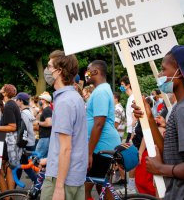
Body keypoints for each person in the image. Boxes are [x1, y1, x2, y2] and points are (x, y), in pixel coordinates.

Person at [133, 45, 184, 200]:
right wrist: (150, 119)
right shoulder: (182, 106)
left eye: (164, 69)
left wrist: (161, 168)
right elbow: (171, 154)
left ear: (180, 73)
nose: (160, 74)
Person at [41, 50, 87, 200]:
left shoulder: (65, 102)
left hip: (62, 179)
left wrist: (59, 187)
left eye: (49, 66)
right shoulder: (75, 97)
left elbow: (66, 148)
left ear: (59, 71)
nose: (46, 71)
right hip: (74, 175)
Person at [85, 60, 121, 199]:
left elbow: (99, 124)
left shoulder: (100, 92)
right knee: (103, 188)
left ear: (95, 71)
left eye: (88, 71)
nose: (86, 74)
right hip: (102, 147)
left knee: (83, 189)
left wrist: (89, 153)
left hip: (101, 148)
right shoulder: (101, 90)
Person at [0, 84, 21, 193]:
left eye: (3, 88)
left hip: (10, 142)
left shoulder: (9, 106)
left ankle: (6, 196)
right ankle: (9, 196)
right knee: (9, 169)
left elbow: (12, 126)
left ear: (6, 93)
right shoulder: (12, 104)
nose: (1, 89)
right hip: (13, 142)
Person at [119, 75, 137, 193]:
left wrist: (132, 133)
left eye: (122, 85)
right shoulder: (130, 97)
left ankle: (131, 186)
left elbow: (135, 116)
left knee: (132, 158)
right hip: (130, 130)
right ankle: (131, 185)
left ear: (128, 85)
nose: (121, 87)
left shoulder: (133, 97)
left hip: (132, 131)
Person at [15, 92, 37, 183]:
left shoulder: (24, 113)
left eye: (17, 100)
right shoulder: (29, 111)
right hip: (31, 142)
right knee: (23, 166)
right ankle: (14, 184)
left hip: (26, 143)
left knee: (26, 167)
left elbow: (24, 130)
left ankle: (38, 184)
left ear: (20, 101)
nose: (16, 101)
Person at [35, 91, 53, 159]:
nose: (39, 101)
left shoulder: (46, 110)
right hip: (46, 137)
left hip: (45, 138)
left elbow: (49, 123)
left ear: (44, 100)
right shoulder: (47, 109)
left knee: (37, 158)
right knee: (43, 158)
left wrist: (38, 122)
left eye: (41, 99)